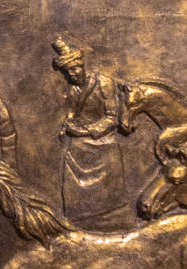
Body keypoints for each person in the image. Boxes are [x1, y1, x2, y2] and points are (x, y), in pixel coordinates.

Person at [52, 36, 134, 226]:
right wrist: (68, 124)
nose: (72, 74)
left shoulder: (103, 83)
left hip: (102, 140)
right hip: (80, 140)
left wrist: (87, 132)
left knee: (107, 157)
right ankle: (78, 215)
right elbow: (72, 113)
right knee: (72, 155)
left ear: (82, 66)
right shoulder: (73, 91)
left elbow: (112, 118)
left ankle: (112, 212)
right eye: (67, 71)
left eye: (74, 69)